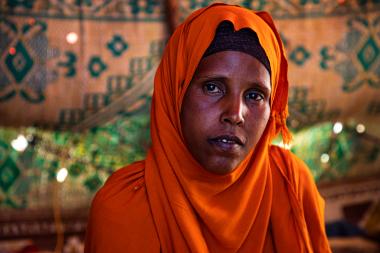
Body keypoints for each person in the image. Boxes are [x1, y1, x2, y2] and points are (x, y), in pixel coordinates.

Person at [84, 3, 331, 252]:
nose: (235, 115)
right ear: (176, 94)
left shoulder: (291, 184)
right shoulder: (125, 207)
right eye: (213, 87)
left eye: (255, 95)